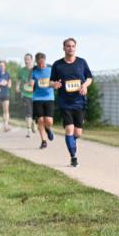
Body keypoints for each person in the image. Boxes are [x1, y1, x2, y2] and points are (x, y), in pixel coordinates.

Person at [50, 38, 93, 167]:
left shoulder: (81, 62)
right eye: (68, 46)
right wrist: (55, 84)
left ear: (75, 48)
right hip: (65, 102)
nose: (70, 48)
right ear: (63, 48)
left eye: (73, 46)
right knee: (69, 129)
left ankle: (71, 143)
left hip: (79, 102)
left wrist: (85, 86)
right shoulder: (58, 64)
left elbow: (89, 77)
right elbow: (51, 82)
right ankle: (73, 157)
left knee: (77, 133)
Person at [30, 52, 55, 149]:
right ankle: (44, 141)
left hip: (49, 97)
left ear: (45, 60)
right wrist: (31, 84)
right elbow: (31, 81)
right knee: (40, 120)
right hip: (37, 98)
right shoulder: (33, 70)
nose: (41, 65)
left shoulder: (51, 69)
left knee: (49, 121)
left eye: (42, 63)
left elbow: (56, 81)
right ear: (36, 62)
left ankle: (48, 128)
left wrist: (54, 84)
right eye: (39, 63)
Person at [18, 53, 35, 137]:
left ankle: (33, 122)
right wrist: (17, 87)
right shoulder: (21, 70)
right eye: (25, 59)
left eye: (28, 59)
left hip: (36, 94)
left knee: (35, 113)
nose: (26, 61)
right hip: (25, 94)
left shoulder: (36, 69)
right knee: (28, 112)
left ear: (31, 60)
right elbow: (19, 80)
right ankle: (29, 131)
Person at [0, 60, 12, 131]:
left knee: (6, 110)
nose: (1, 67)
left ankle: (5, 126)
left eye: (2, 66)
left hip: (5, 93)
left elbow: (9, 85)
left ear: (5, 67)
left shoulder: (7, 74)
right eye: (0, 66)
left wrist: (6, 83)